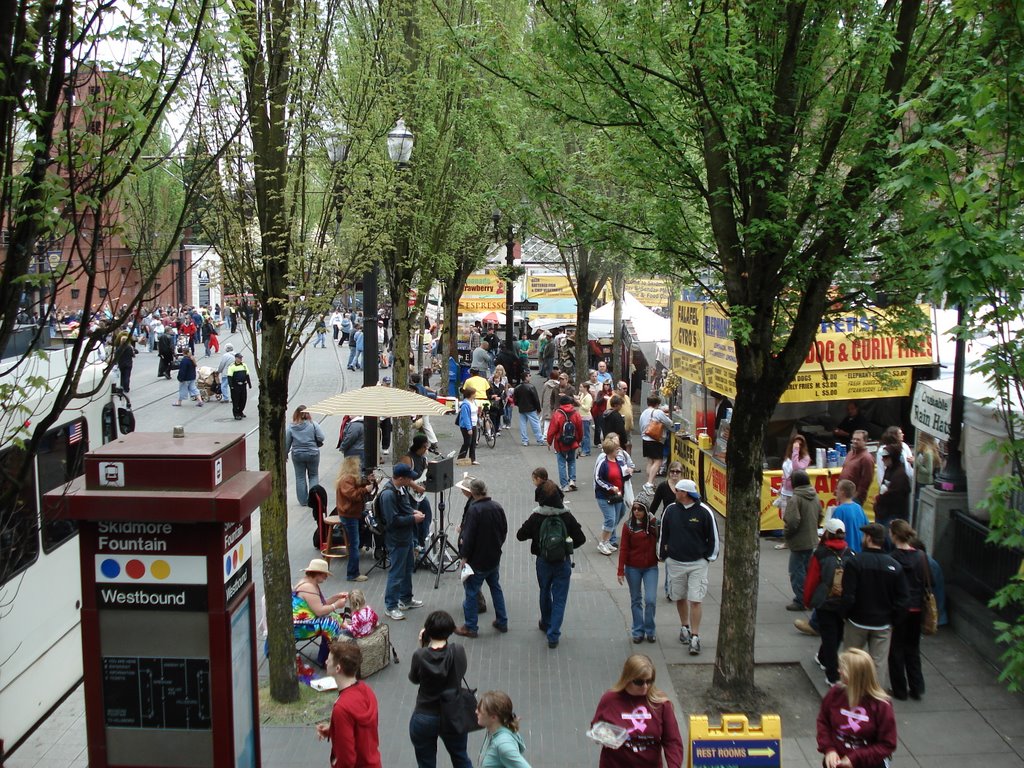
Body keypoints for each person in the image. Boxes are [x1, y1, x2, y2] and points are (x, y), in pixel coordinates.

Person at [516, 479, 586, 648]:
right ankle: (553, 634)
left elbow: (520, 535)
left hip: (543, 561)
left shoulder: (537, 516)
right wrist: (566, 547)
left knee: (545, 591)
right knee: (560, 598)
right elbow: (581, 539)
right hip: (562, 562)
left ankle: (545, 622)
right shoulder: (566, 515)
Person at [841, 523, 909, 689]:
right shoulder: (894, 566)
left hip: (857, 620)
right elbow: (903, 599)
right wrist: (893, 619)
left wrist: (845, 614)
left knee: (851, 659)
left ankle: (850, 692)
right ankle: (875, 697)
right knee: (878, 663)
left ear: (868, 538)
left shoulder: (855, 562)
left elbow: (848, 595)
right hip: (882, 623)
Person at [660, 478, 720, 655]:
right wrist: (663, 555)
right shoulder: (670, 510)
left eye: (677, 490)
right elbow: (664, 533)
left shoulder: (704, 512)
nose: (675, 492)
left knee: (695, 600)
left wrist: (709, 557)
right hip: (675, 562)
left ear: (685, 493)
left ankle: (695, 636)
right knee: (679, 597)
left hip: (697, 564)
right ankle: (684, 626)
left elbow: (713, 537)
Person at [590, 654, 684, 768]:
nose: (645, 686)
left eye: (649, 681)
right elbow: (596, 728)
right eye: (639, 682)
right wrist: (604, 735)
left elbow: (672, 741)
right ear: (628, 679)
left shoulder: (661, 704)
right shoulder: (609, 699)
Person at [409, 610, 472, 768]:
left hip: (425, 715)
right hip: (453, 714)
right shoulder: (457, 650)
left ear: (427, 631)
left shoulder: (420, 655)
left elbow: (414, 679)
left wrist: (422, 646)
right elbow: (461, 672)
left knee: (426, 762)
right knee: (460, 757)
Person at [816, 649, 897, 768]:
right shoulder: (835, 694)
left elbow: (887, 744)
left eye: (843, 668)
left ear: (854, 675)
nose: (839, 671)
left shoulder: (881, 705)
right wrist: (829, 749)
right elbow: (823, 721)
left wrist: (854, 758)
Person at [455, 478, 509, 638]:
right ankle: (502, 621)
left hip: (477, 560)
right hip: (493, 557)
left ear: (472, 492)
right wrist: (497, 545)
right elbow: (504, 529)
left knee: (471, 592)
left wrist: (464, 556)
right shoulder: (497, 506)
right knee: (495, 587)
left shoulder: (474, 510)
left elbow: (469, 536)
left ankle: (471, 626)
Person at [804, 518, 855, 686]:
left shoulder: (820, 554)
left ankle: (832, 674)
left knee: (829, 636)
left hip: (825, 601)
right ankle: (822, 657)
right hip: (843, 602)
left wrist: (808, 600)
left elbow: (812, 579)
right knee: (837, 633)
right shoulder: (850, 554)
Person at [315, 641, 383, 768]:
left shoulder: (341, 708)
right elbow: (361, 730)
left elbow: (347, 760)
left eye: (329, 660)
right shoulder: (366, 691)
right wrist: (333, 729)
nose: (325, 662)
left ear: (338, 668)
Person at [887, 519, 928, 700]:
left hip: (899, 609)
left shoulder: (892, 559)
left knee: (896, 650)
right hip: (917, 609)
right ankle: (917, 687)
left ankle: (900, 689)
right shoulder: (921, 557)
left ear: (894, 535)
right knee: (913, 648)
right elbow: (929, 582)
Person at [379, 463, 426, 621]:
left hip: (406, 537)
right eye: (409, 477)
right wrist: (413, 518)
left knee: (407, 568)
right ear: (401, 478)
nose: (412, 480)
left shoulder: (401, 488)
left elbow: (404, 508)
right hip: (397, 539)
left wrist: (413, 511)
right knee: (397, 572)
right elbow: (392, 521)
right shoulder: (388, 495)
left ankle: (405, 599)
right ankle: (390, 606)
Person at [617, 498, 660, 643]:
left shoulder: (653, 524)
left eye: (639, 509)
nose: (636, 512)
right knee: (636, 599)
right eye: (634, 509)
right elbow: (623, 548)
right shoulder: (628, 526)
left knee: (650, 599)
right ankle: (638, 631)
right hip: (632, 568)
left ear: (646, 511)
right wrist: (620, 571)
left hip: (651, 567)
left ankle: (650, 629)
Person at [293, 558, 348, 667]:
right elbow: (319, 611)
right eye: (324, 574)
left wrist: (335, 598)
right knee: (331, 624)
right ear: (317, 573)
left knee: (334, 616)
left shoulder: (308, 583)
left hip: (303, 622)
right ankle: (325, 660)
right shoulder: (308, 587)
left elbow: (319, 604)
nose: (326, 577)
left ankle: (332, 652)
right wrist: (336, 605)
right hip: (301, 627)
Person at [783, 470, 821, 611]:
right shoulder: (814, 496)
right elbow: (820, 515)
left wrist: (787, 533)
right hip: (811, 538)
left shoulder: (795, 499)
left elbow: (793, 521)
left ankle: (801, 600)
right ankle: (808, 597)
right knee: (807, 570)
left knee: (796, 571)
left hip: (798, 541)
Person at [335, 456, 375, 582]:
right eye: (357, 466)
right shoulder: (346, 480)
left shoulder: (348, 478)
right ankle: (352, 573)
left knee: (355, 542)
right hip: (349, 515)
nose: (359, 468)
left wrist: (367, 481)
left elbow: (357, 484)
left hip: (351, 514)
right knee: (354, 544)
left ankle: (354, 570)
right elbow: (353, 495)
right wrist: (365, 490)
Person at [476, 690, 532, 768]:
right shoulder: (492, 730)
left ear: (493, 717)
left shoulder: (503, 745)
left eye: (480, 711)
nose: (476, 712)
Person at [594, 437, 629, 555]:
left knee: (620, 513)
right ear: (610, 451)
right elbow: (598, 478)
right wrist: (610, 487)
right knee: (610, 519)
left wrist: (628, 473)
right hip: (604, 496)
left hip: (618, 495)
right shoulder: (603, 463)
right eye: (616, 450)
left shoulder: (619, 461)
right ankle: (603, 542)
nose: (618, 452)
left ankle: (607, 539)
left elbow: (624, 476)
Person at [398, 435, 433, 549]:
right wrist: (416, 487)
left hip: (420, 495)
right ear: (422, 446)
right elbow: (404, 477)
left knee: (427, 513)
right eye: (426, 446)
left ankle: (424, 539)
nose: (427, 449)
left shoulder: (423, 458)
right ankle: (415, 543)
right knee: (413, 518)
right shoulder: (408, 459)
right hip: (411, 494)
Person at [286, 405, 325, 506]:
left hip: (297, 454)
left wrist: (285, 454)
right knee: (313, 475)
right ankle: (313, 499)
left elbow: (287, 442)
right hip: (313, 453)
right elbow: (321, 437)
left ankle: (303, 501)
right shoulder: (313, 424)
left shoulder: (291, 427)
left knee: (300, 477)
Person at [547, 395, 583, 492]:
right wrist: (578, 441)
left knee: (561, 463)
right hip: (573, 442)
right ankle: (572, 480)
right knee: (572, 461)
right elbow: (580, 429)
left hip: (560, 443)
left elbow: (552, 429)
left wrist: (549, 442)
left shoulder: (557, 414)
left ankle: (564, 485)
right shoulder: (576, 413)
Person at [638, 395, 674, 484]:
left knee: (650, 461)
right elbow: (669, 423)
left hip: (645, 439)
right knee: (658, 461)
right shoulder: (658, 412)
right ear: (657, 404)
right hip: (655, 440)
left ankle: (649, 481)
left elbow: (641, 425)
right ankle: (650, 483)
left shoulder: (644, 412)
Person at [873, 445, 911, 527]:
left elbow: (895, 496)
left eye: (886, 457)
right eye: (882, 457)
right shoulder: (889, 470)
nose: (883, 460)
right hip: (883, 514)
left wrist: (879, 498)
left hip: (892, 516)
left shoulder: (900, 475)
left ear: (893, 457)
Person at [828, 480, 869, 554]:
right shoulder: (859, 508)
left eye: (837, 489)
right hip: (860, 551)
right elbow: (867, 527)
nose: (836, 491)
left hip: (845, 552)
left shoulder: (839, 510)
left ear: (842, 492)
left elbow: (832, 533)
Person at [838, 430, 874, 506]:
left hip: (854, 498)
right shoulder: (850, 453)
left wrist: (856, 495)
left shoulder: (867, 458)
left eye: (858, 439)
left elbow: (866, 480)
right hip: (843, 494)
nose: (854, 441)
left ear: (865, 441)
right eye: (853, 439)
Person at [513, 374, 545, 446]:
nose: (530, 377)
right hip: (531, 408)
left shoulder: (517, 388)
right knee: (535, 424)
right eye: (529, 375)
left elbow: (515, 399)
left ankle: (525, 440)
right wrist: (538, 408)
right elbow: (536, 399)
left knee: (523, 424)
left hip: (522, 408)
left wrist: (519, 405)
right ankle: (540, 440)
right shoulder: (531, 387)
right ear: (526, 377)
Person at [455, 386, 479, 467]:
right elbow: (465, 417)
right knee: (467, 442)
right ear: (471, 394)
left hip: (474, 424)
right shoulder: (465, 404)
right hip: (466, 426)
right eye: (474, 393)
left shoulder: (474, 402)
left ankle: (473, 459)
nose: (475, 394)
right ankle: (460, 458)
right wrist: (469, 428)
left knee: (473, 442)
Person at [227, 352, 252, 420]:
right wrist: (231, 386)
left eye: (241, 358)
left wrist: (249, 384)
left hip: (243, 385)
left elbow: (247, 375)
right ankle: (236, 414)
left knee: (243, 399)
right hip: (236, 386)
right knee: (236, 400)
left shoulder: (244, 365)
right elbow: (229, 377)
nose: (241, 359)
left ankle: (241, 411)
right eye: (239, 358)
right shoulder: (232, 366)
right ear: (236, 358)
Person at [591, 380, 612, 447]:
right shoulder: (600, 393)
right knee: (599, 427)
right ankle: (598, 442)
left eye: (608, 385)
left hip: (608, 412)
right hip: (600, 412)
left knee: (606, 427)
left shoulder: (611, 393)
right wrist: (603, 398)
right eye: (605, 385)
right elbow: (597, 402)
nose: (606, 386)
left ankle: (606, 440)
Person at [577, 381, 594, 457]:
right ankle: (583, 449)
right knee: (582, 434)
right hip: (581, 416)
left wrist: (580, 403)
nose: (579, 388)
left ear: (585, 388)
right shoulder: (582, 394)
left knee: (585, 435)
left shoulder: (588, 397)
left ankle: (586, 450)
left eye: (581, 387)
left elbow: (587, 408)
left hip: (586, 417)